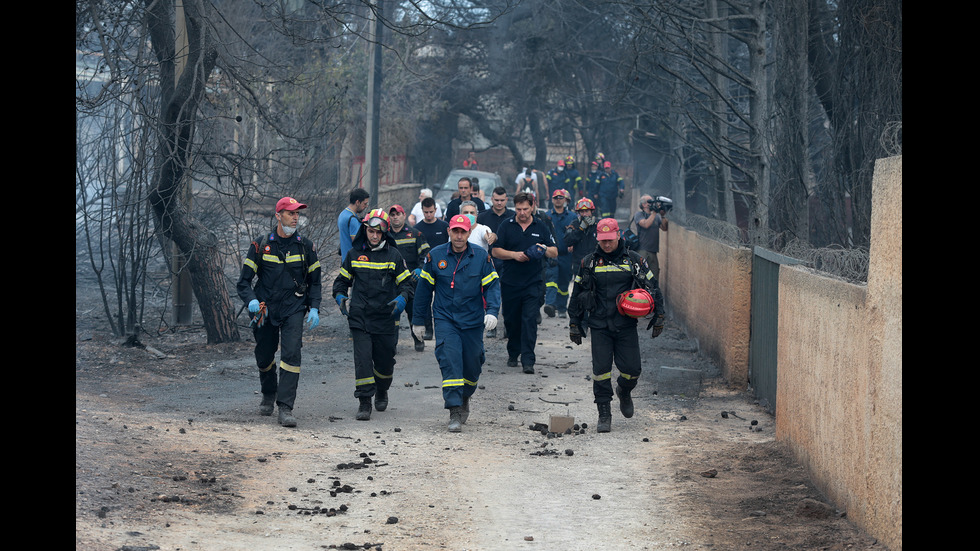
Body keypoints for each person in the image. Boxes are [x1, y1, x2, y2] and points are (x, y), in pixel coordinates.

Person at [567, 218, 666, 433]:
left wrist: (660, 315)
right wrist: (575, 322)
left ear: (618, 236)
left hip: (626, 325)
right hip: (600, 325)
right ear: (598, 239)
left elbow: (653, 287)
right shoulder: (589, 262)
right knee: (601, 371)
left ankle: (624, 390)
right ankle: (604, 414)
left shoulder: (634, 261)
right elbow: (577, 294)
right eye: (603, 241)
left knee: (632, 371)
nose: (607, 245)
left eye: (610, 240)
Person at [237, 197, 323, 428]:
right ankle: (268, 392)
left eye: (297, 214)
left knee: (291, 354)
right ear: (278, 215)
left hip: (294, 307)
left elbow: (315, 282)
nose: (295, 217)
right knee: (264, 356)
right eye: (290, 213)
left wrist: (314, 307)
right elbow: (243, 283)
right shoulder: (260, 245)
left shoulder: (306, 246)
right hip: (265, 309)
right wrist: (252, 301)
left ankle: (285, 407)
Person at [412, 214, 501, 432]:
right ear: (449, 232)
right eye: (455, 231)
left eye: (463, 232)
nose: (459, 236)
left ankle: (464, 397)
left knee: (472, 364)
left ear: (469, 233)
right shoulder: (435, 256)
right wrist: (418, 321)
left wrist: (492, 311)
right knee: (450, 360)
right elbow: (423, 291)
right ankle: (454, 411)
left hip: (472, 320)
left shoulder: (481, 257)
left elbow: (492, 286)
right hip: (445, 319)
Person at [332, 209, 415, 421]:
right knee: (362, 361)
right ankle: (364, 402)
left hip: (387, 316)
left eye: (378, 232)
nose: (374, 235)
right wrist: (340, 295)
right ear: (365, 230)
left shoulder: (394, 256)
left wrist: (403, 298)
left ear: (385, 232)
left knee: (385, 362)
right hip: (360, 316)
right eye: (370, 231)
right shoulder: (353, 255)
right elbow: (341, 281)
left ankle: (382, 389)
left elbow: (407, 284)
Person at [491, 191, 558, 373]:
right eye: (519, 209)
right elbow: (495, 251)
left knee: (529, 321)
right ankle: (513, 352)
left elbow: (555, 251)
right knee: (512, 321)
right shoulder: (507, 225)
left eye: (525, 209)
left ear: (533, 207)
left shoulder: (541, 227)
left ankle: (528, 360)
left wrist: (543, 249)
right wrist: (514, 255)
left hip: (533, 282)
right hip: (510, 282)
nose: (522, 213)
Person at [388, 204, 432, 352]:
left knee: (413, 314)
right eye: (392, 215)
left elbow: (426, 254)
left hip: (411, 282)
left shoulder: (415, 234)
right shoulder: (385, 235)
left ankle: (418, 340)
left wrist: (421, 268)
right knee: (392, 315)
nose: (395, 217)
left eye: (398, 214)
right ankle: (391, 345)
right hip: (392, 283)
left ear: (404, 215)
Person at [414, 196, 450, 340]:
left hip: (443, 268)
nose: (428, 215)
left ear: (435, 210)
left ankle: (444, 325)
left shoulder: (444, 227)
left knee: (443, 298)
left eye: (431, 212)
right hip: (425, 268)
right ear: (421, 211)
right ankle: (429, 328)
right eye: (425, 212)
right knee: (425, 298)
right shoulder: (417, 229)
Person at [544, 189, 577, 318]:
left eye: (560, 197)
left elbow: (576, 234)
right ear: (552, 200)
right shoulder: (547, 216)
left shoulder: (572, 217)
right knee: (551, 280)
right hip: (551, 254)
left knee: (564, 282)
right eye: (555, 197)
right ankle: (550, 305)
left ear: (565, 200)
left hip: (566, 255)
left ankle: (562, 308)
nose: (558, 199)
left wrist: (574, 245)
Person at [632, 194, 670, 281]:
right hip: (643, 251)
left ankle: (652, 294)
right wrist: (654, 213)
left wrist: (663, 215)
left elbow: (664, 228)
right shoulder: (639, 214)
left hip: (653, 251)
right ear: (644, 204)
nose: (652, 204)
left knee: (654, 276)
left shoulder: (656, 216)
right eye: (649, 202)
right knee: (641, 275)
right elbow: (645, 224)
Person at [565, 197, 599, 277]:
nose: (584, 214)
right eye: (582, 212)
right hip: (579, 265)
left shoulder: (598, 225)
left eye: (587, 211)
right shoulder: (574, 224)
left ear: (592, 211)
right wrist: (580, 229)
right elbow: (568, 241)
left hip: (595, 264)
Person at [339, 188, 371, 261]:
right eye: (365, 204)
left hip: (345, 259)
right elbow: (357, 243)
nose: (366, 206)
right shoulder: (352, 220)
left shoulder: (343, 214)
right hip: (353, 262)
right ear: (357, 202)